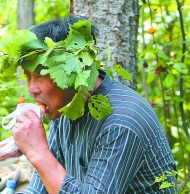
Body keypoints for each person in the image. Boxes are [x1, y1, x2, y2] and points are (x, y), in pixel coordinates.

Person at [11, 15, 177, 193]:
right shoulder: (64, 108)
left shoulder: (121, 122)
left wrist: (38, 153)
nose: (31, 89)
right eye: (28, 77)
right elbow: (39, 190)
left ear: (73, 69)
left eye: (40, 75)